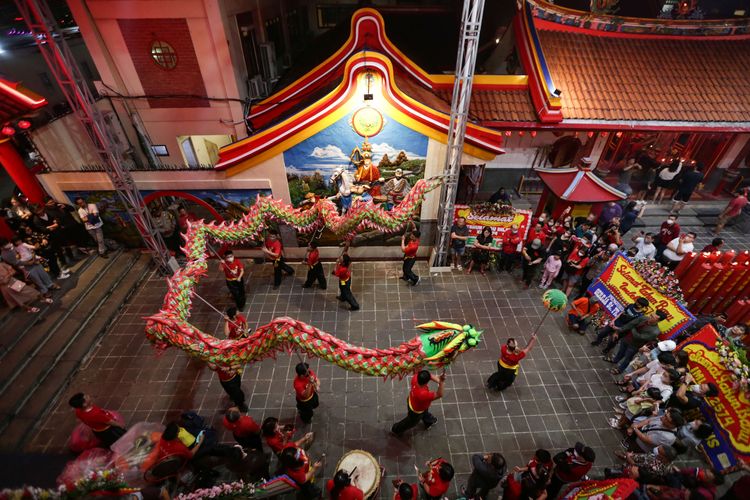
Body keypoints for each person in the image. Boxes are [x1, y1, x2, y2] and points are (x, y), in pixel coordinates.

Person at [611, 309, 669, 374]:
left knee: (627, 358)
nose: (650, 317)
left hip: (634, 345)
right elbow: (630, 324)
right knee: (621, 351)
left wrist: (632, 328)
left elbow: (639, 337)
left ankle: (620, 370)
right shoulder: (643, 318)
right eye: (651, 315)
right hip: (626, 338)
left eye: (652, 317)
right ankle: (615, 360)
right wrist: (618, 331)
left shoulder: (655, 331)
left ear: (658, 320)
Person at [391, 370, 445, 436]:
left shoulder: (415, 377)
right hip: (416, 411)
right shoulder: (423, 394)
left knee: (425, 413)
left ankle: (428, 421)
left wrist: (439, 379)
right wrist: (441, 382)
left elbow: (429, 376)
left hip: (413, 401)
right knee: (410, 423)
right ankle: (396, 429)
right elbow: (439, 394)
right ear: (426, 382)